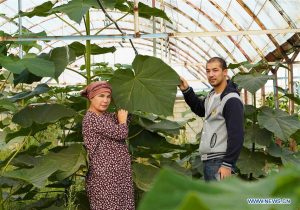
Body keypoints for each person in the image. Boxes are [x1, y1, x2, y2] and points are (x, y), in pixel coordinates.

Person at [178, 57, 244, 182]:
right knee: (215, 201)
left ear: (225, 72)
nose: (211, 74)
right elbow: (201, 110)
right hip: (210, 160)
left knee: (221, 201)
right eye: (208, 71)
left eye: (215, 70)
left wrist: (227, 164)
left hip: (220, 162)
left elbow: (237, 135)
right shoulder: (212, 95)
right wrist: (186, 90)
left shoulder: (231, 100)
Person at [81, 81, 135, 210]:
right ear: (91, 97)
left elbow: (126, 117)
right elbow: (121, 133)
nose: (105, 100)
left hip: (120, 175)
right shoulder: (91, 118)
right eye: (101, 96)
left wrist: (127, 99)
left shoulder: (105, 116)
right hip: (105, 176)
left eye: (108, 96)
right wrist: (122, 120)